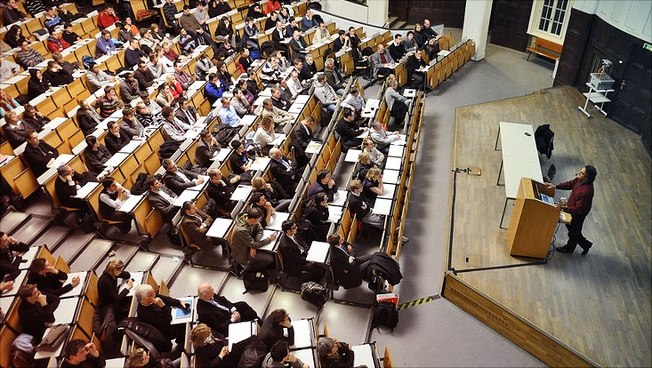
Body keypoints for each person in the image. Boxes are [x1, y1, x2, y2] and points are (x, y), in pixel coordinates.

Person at [546, 165, 597, 255]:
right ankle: (586, 245)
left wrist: (563, 208)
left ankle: (571, 248)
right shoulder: (579, 179)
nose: (578, 173)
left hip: (578, 214)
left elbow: (578, 209)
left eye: (582, 173)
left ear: (587, 177)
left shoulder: (586, 191)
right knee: (573, 230)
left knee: (574, 232)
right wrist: (555, 186)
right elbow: (570, 184)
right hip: (571, 208)